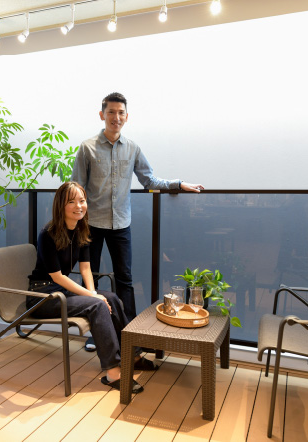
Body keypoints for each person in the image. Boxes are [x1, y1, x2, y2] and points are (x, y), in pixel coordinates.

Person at [71, 92, 204, 351]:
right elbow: (77, 188)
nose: (116, 117)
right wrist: (74, 222)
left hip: (121, 224)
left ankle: (129, 333)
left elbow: (149, 180)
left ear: (126, 117)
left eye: (121, 113)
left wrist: (179, 184)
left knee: (125, 279)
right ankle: (96, 333)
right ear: (102, 115)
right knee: (92, 279)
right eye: (111, 112)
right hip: (91, 224)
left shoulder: (132, 148)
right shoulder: (87, 148)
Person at [27, 181, 157, 393]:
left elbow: (86, 269)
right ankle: (113, 372)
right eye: (72, 202)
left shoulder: (81, 231)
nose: (79, 206)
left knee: (111, 298)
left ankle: (132, 356)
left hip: (62, 292)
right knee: (97, 305)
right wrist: (93, 297)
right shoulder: (48, 234)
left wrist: (94, 293)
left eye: (82, 200)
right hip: (42, 296)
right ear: (61, 205)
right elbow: (57, 277)